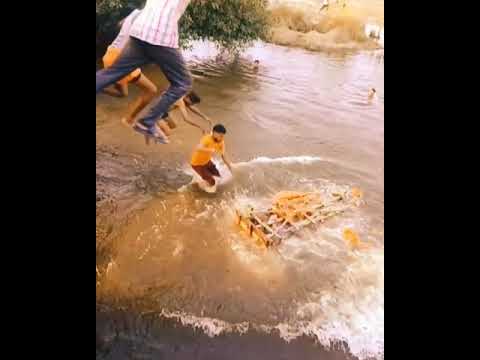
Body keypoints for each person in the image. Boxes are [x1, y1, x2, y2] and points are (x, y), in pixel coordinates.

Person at [96, 0, 196, 143]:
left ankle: (145, 121)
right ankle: (147, 122)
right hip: (160, 36)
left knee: (112, 73)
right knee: (183, 83)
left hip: (140, 31)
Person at [101, 9, 159, 128]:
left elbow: (120, 24)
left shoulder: (135, 12)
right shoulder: (151, 18)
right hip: (121, 58)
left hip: (110, 53)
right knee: (152, 90)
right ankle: (129, 120)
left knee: (123, 94)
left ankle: (100, 86)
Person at [190, 124, 233, 193]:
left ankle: (202, 181)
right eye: (221, 136)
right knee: (212, 181)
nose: (222, 138)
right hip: (197, 164)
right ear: (214, 133)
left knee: (218, 176)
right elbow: (198, 148)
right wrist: (210, 150)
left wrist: (230, 167)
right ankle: (199, 187)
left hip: (207, 161)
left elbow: (223, 155)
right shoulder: (207, 139)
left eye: (223, 136)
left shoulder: (221, 141)